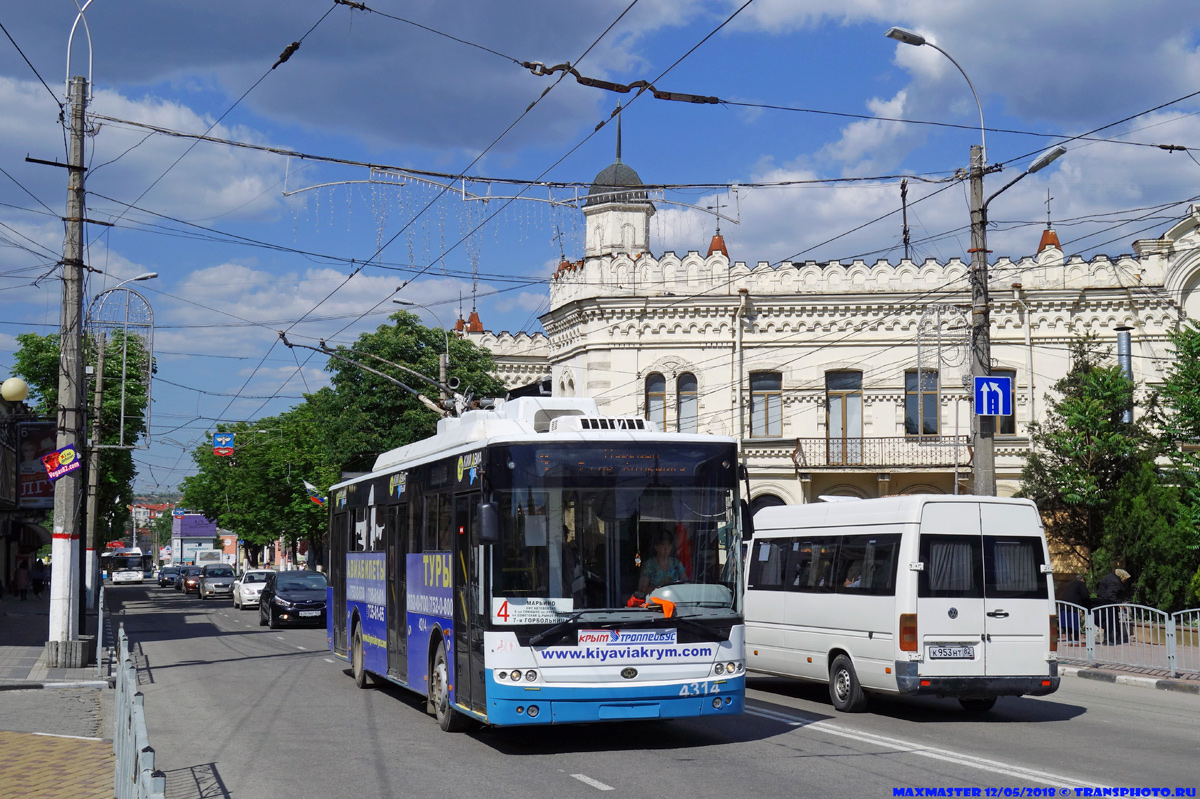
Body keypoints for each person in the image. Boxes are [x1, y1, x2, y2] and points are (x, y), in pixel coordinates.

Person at [639, 531, 686, 595]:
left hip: (675, 599)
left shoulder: (676, 564)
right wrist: (658, 590)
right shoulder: (649, 565)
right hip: (654, 601)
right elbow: (642, 588)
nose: (666, 548)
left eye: (669, 545)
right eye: (663, 545)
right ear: (656, 547)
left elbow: (685, 582)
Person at [1095, 567, 1133, 645]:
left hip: (1106, 602)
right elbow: (1111, 594)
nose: (1125, 581)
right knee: (1109, 622)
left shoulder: (1111, 577)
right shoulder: (1115, 581)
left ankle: (1113, 637)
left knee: (1110, 621)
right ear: (1122, 576)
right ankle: (1108, 639)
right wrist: (1119, 602)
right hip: (1108, 603)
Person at [1057, 574, 1092, 642]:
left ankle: (1069, 639)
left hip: (1063, 605)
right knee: (1074, 622)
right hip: (1073, 605)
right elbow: (1085, 595)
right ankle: (1076, 639)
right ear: (1082, 580)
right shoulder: (1080, 584)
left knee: (1067, 623)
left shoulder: (1068, 584)